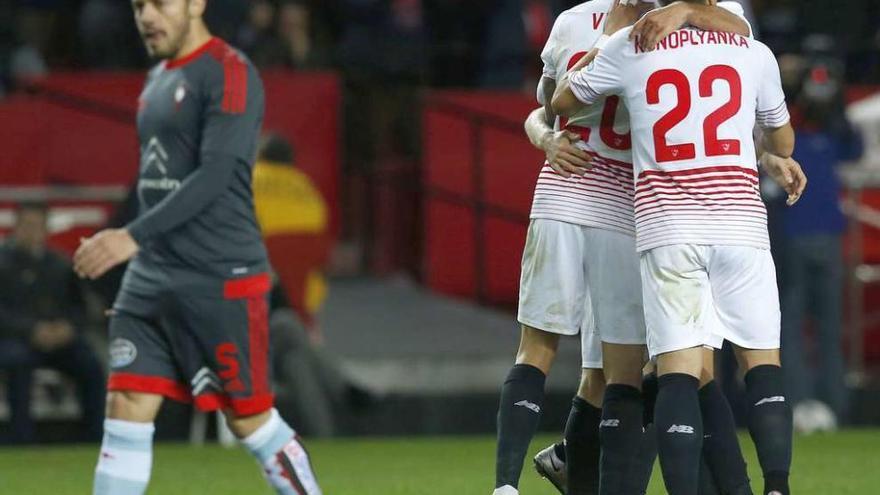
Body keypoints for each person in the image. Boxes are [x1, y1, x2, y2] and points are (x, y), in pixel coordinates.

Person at [495, 1, 753, 494]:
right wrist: (546, 139)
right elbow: (549, 107)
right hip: (631, 208)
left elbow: (741, 34)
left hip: (667, 212)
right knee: (628, 370)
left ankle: (573, 461)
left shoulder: (709, 13)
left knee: (674, 366)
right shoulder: (579, 20)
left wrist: (679, 12)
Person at [552, 0, 807, 493]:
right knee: (762, 369)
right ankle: (777, 487)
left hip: (668, 226)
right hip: (741, 226)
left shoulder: (633, 44)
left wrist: (609, 37)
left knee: (678, 374)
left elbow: (560, 103)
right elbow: (784, 140)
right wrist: (766, 153)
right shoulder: (752, 49)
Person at [73, 1, 321, 493]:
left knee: (248, 419)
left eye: (160, 4)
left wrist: (130, 236)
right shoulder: (158, 78)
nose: (146, 16)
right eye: (138, 5)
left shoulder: (229, 71)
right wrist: (127, 255)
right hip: (153, 276)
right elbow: (153, 183)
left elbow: (216, 175)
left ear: (196, 3)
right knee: (126, 404)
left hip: (220, 274)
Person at [781, 61, 862, 428]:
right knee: (794, 324)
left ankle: (834, 407)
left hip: (823, 237)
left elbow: (855, 147)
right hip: (796, 237)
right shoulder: (790, 131)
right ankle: (797, 404)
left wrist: (837, 107)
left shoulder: (835, 133)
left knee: (827, 324)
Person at [0, 202, 105, 444]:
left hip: (60, 340)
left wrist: (68, 328)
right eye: (26, 225)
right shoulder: (3, 264)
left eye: (38, 225)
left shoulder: (61, 264)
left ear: (47, 228)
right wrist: (31, 330)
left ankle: (94, 438)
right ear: (15, 227)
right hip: (15, 340)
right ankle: (21, 440)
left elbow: (80, 308)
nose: (32, 231)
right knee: (17, 362)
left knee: (90, 364)